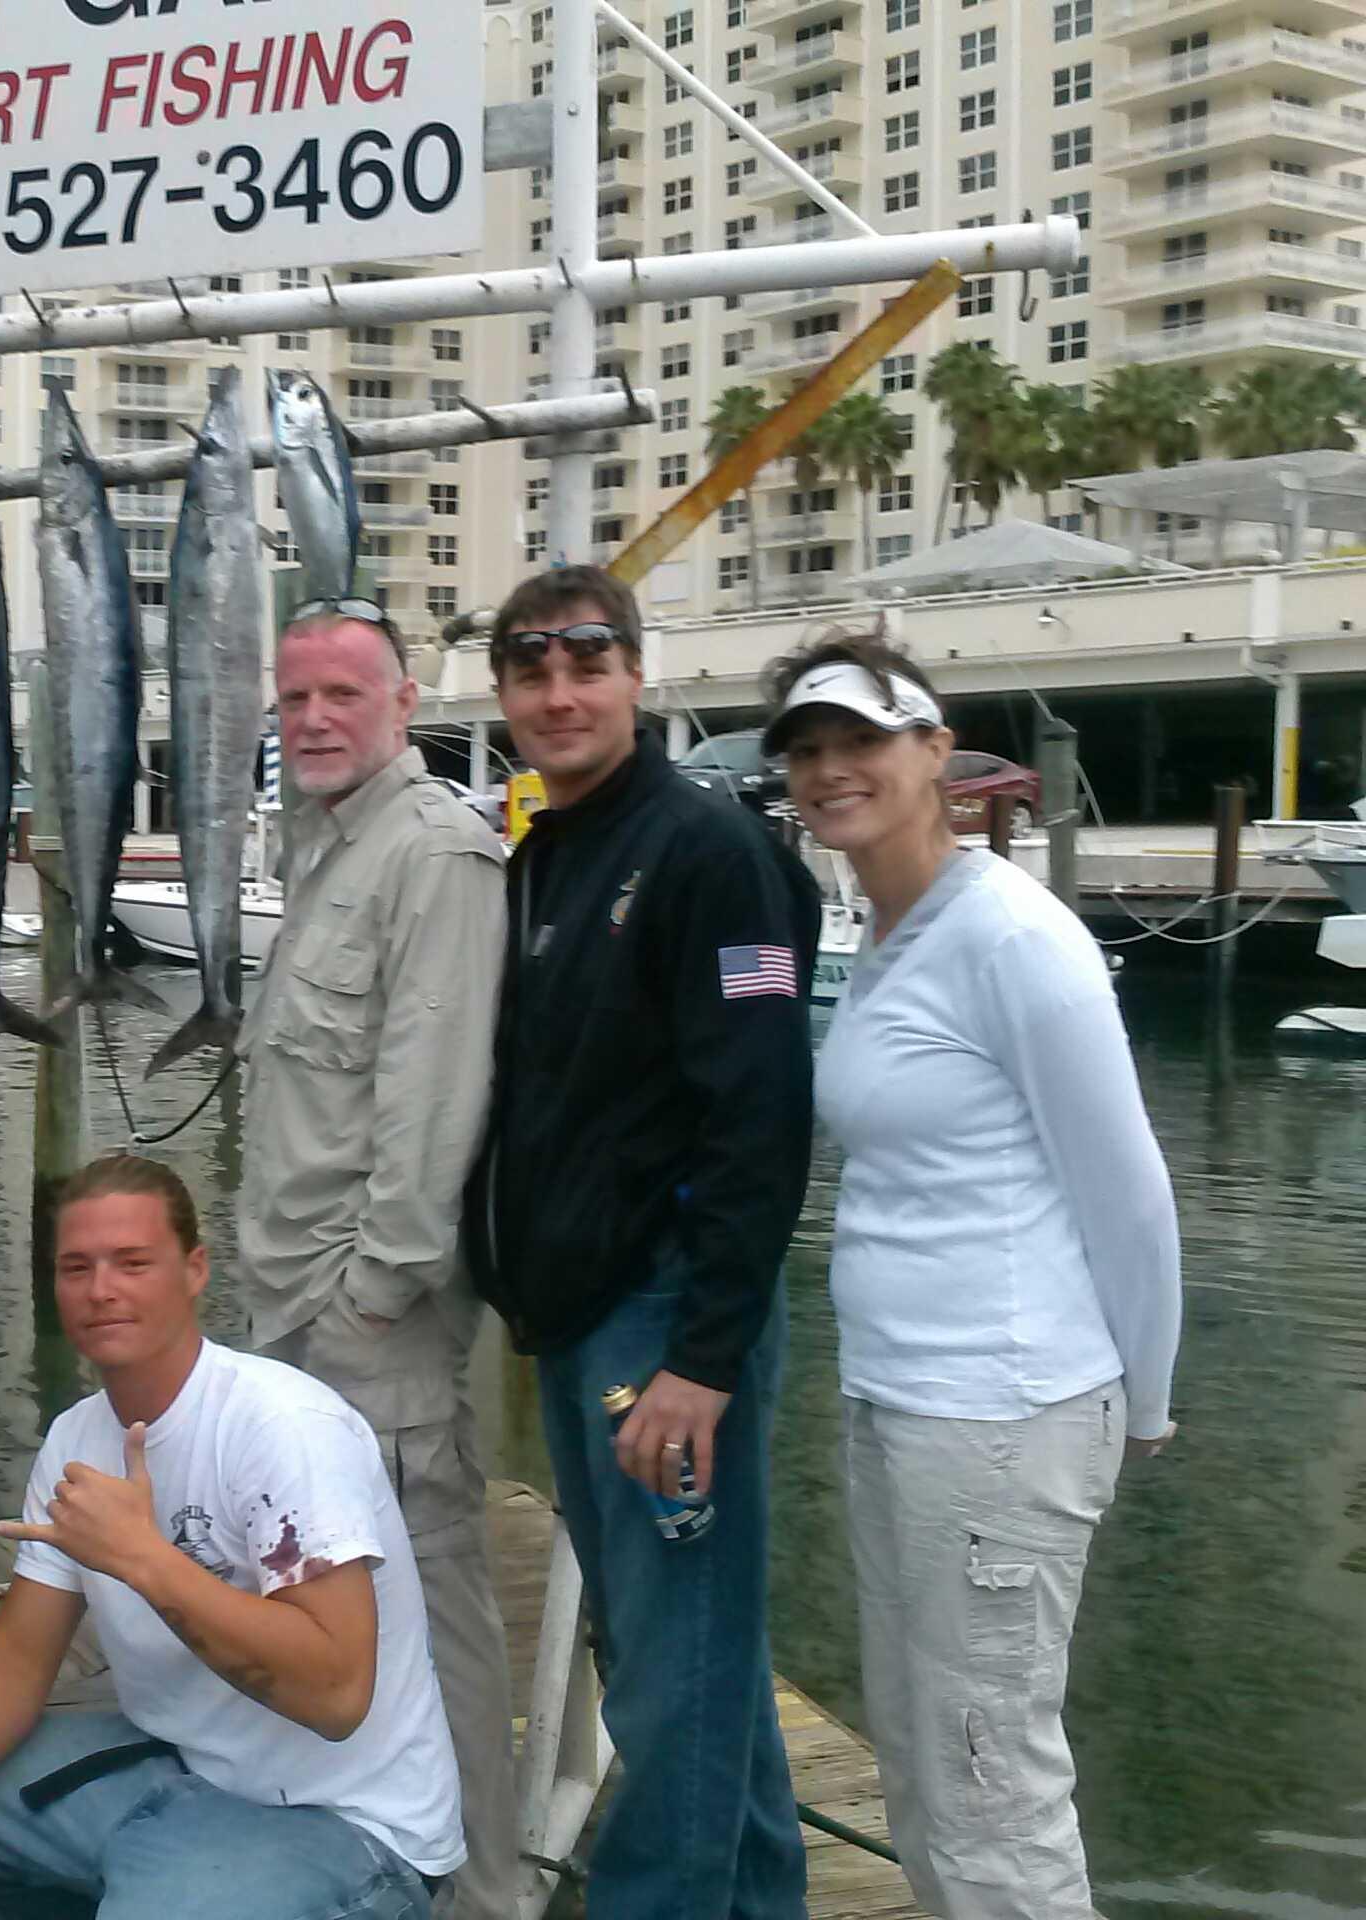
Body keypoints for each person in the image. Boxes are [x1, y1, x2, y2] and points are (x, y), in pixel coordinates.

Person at [764, 636, 1181, 1919]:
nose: (833, 770)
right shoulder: (889, 931)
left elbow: (1131, 1193)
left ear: (936, 751)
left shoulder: (1013, 938)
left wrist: (1146, 1403)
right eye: (808, 748)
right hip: (904, 1405)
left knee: (993, 1789)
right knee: (929, 1777)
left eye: (861, 740)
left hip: (1003, 1417)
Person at [462, 564, 819, 1920]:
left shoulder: (708, 854)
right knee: (692, 1663)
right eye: (533, 669)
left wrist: (705, 1357)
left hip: (666, 1330)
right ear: (503, 694)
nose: (560, 692)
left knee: (676, 1682)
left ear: (636, 678)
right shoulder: (549, 852)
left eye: (587, 662)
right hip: (577, 1324)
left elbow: (761, 1120)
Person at [0, 1151, 464, 1920]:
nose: (101, 1290)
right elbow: (18, 1660)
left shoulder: (282, 1428)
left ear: (195, 1270)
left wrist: (147, 1561)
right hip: (181, 1771)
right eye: (75, 1267)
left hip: (347, 1824)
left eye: (132, 1263)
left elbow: (338, 1694)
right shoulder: (75, 1440)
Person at [233, 599, 520, 1913]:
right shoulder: (324, 849)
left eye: (344, 693)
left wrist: (369, 1296)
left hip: (368, 1331)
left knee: (431, 1617)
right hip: (285, 1315)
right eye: (295, 699)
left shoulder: (435, 855)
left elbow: (430, 1109)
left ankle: (484, 1894)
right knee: (330, 1619)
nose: (315, 719)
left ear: (405, 705)